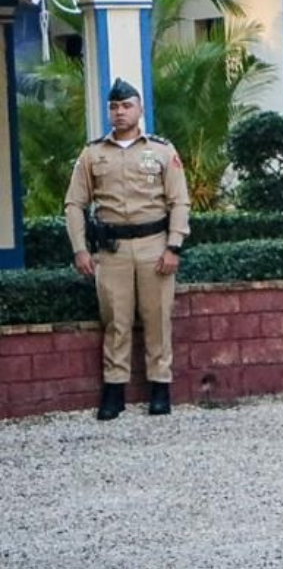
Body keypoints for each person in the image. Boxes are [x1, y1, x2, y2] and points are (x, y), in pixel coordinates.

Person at [63, 79, 191, 420]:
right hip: (112, 249)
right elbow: (74, 203)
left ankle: (160, 387)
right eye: (114, 107)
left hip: (154, 245)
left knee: (157, 318)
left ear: (140, 110)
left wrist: (174, 245)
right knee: (115, 320)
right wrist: (80, 248)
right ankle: (114, 389)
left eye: (126, 106)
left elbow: (179, 201)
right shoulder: (93, 154)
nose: (119, 113)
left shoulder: (163, 151)